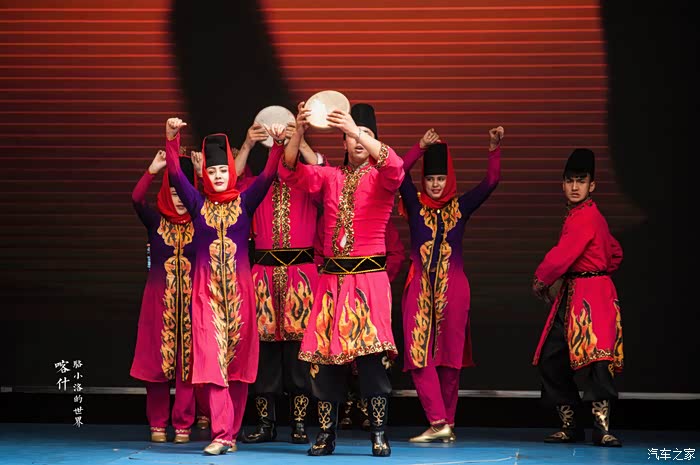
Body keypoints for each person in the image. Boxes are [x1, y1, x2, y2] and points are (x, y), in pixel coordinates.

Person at [279, 102, 403, 457]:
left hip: (368, 281)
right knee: (325, 361)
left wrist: (353, 129)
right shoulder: (330, 176)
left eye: (366, 135)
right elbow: (289, 172)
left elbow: (396, 167)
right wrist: (299, 131)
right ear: (343, 143)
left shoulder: (382, 177)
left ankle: (378, 433)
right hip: (331, 283)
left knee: (372, 359)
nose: (358, 141)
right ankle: (326, 434)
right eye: (351, 136)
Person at [164, 117, 285, 455]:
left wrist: (277, 146)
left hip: (241, 296)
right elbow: (175, 175)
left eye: (222, 170)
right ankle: (221, 434)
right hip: (207, 297)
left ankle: (229, 432)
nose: (217, 176)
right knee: (212, 362)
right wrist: (171, 140)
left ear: (231, 170)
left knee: (237, 368)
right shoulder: (197, 205)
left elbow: (268, 176)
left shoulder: (245, 203)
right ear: (205, 174)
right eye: (212, 171)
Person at [399, 127, 503, 443]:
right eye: (430, 178)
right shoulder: (414, 204)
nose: (435, 184)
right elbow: (398, 172)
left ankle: (447, 423)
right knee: (418, 353)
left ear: (449, 178)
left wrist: (494, 148)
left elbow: (491, 182)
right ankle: (437, 420)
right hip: (419, 287)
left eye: (441, 178)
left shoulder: (460, 206)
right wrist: (419, 147)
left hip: (454, 288)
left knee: (450, 359)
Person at [531, 148, 624, 447]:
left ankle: (601, 428)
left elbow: (562, 255)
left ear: (591, 185)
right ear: (563, 184)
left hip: (592, 295)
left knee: (599, 360)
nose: (574, 187)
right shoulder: (585, 216)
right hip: (576, 293)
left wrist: (541, 279)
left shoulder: (586, 216)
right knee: (552, 358)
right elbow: (615, 252)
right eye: (570, 181)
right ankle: (571, 424)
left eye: (581, 181)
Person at [130, 149, 198, 444]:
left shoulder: (201, 222)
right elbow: (136, 199)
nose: (179, 198)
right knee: (155, 364)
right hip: (159, 304)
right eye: (174, 192)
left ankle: (183, 423)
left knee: (188, 367)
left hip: (192, 305)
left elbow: (215, 203)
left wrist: (202, 175)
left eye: (184, 191)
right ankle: (157, 422)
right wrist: (153, 170)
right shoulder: (155, 221)